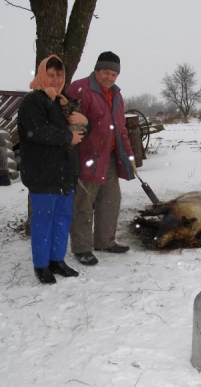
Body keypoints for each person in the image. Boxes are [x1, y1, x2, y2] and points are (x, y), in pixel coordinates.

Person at [18, 54, 89, 284]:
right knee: (43, 220)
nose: (56, 79)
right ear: (41, 75)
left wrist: (82, 125)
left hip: (63, 174)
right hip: (42, 173)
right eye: (51, 75)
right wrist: (69, 136)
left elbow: (76, 131)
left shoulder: (61, 101)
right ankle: (41, 265)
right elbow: (39, 132)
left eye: (59, 75)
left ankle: (57, 260)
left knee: (62, 218)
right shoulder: (33, 102)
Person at [67, 51, 136, 266]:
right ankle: (82, 248)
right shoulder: (80, 89)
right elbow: (70, 124)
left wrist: (129, 155)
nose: (109, 77)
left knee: (110, 201)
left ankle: (105, 241)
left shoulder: (117, 95)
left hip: (110, 157)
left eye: (114, 74)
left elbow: (121, 129)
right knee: (84, 204)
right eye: (106, 72)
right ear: (96, 70)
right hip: (87, 157)